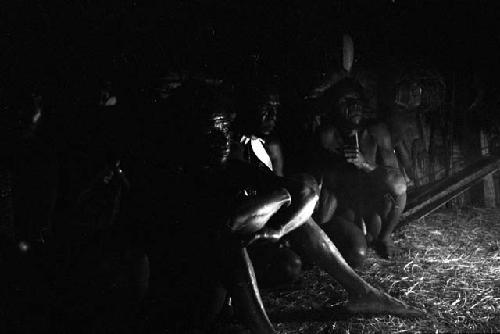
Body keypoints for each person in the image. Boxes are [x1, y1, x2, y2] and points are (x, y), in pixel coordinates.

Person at [310, 78, 407, 266]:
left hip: (372, 206)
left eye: (356, 101)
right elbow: (324, 190)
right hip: (345, 208)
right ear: (333, 107)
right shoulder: (328, 136)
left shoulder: (376, 132)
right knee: (357, 254)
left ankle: (385, 238)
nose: (354, 106)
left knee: (397, 193)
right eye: (345, 102)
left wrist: (365, 164)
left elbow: (399, 184)